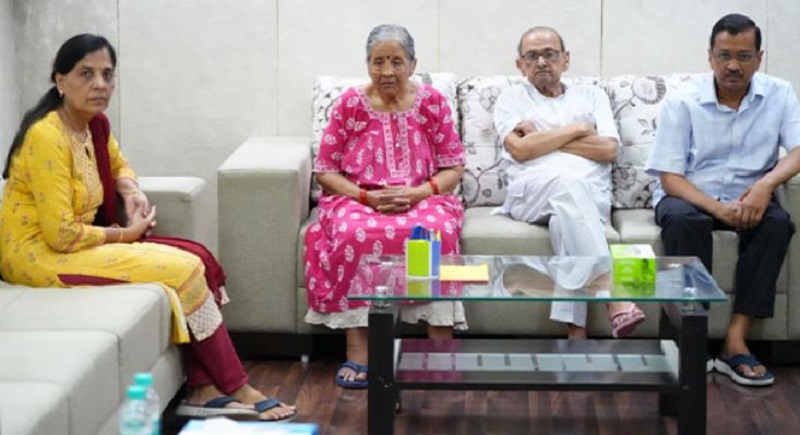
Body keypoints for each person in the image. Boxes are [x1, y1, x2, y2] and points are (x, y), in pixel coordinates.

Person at [0, 34, 296, 421]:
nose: (100, 84)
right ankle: (236, 384)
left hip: (76, 244)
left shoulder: (93, 125)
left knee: (198, 257)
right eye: (86, 74)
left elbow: (119, 165)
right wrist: (127, 234)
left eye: (107, 74)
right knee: (184, 268)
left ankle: (205, 388)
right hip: (38, 257)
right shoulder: (47, 136)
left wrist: (131, 190)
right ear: (60, 80)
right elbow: (61, 235)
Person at [303, 24, 467, 388]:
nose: (387, 71)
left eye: (397, 61)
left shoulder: (432, 102)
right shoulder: (349, 103)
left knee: (434, 232)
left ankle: (439, 350)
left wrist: (418, 193)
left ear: (413, 63)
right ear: (367, 65)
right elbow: (325, 170)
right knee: (352, 232)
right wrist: (366, 197)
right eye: (378, 62)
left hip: (423, 196)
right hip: (359, 198)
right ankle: (359, 353)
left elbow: (454, 165)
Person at [646, 13, 800, 387]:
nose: (733, 65)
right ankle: (690, 342)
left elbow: (797, 150)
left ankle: (735, 340)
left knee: (778, 223)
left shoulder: (779, 93)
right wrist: (718, 209)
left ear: (759, 58)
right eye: (725, 55)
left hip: (750, 195)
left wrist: (765, 186)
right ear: (710, 56)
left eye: (744, 56)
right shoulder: (682, 101)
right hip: (689, 196)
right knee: (685, 222)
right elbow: (670, 177)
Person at [492, 26, 645, 339]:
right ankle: (613, 296)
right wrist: (578, 128)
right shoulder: (510, 99)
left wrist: (543, 139)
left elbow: (608, 149)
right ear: (520, 65)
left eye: (549, 54)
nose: (542, 62)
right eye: (532, 56)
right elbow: (521, 149)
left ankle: (576, 336)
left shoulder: (592, 95)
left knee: (567, 220)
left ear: (566, 59)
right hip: (530, 195)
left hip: (591, 198)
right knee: (567, 185)